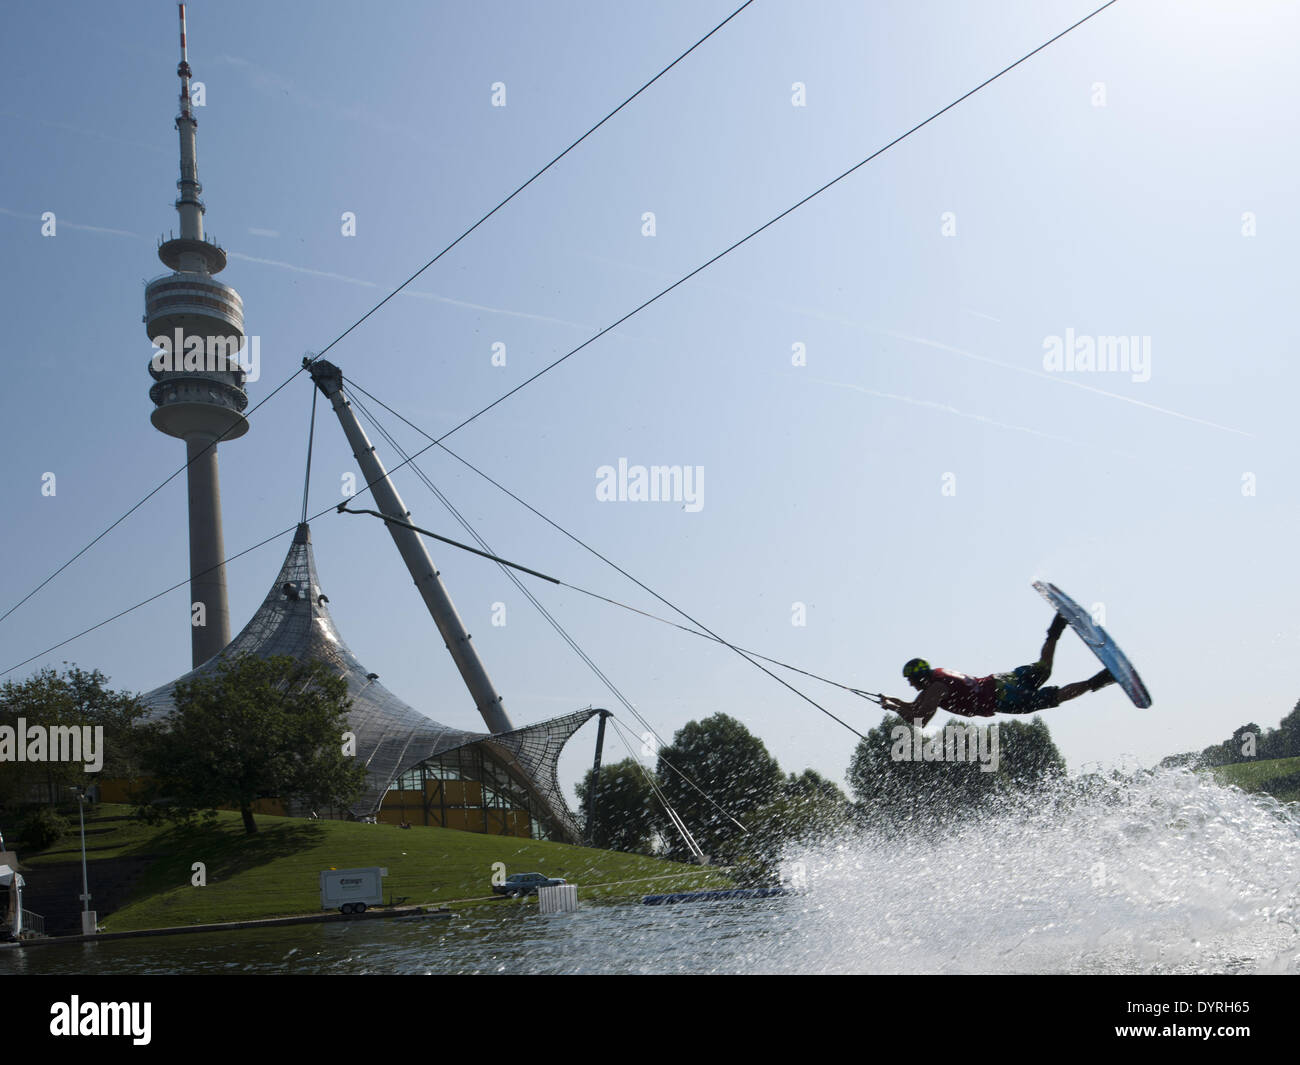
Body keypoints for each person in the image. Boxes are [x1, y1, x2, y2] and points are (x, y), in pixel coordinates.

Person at [880, 614, 1114, 728]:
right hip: (1000, 682)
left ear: (920, 677)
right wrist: (892, 701)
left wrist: (892, 708)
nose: (911, 685)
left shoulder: (936, 688)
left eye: (911, 681)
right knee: (1043, 670)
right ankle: (1056, 627)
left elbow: (919, 719)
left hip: (1001, 698)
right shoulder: (937, 680)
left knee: (1054, 697)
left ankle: (1098, 680)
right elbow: (915, 706)